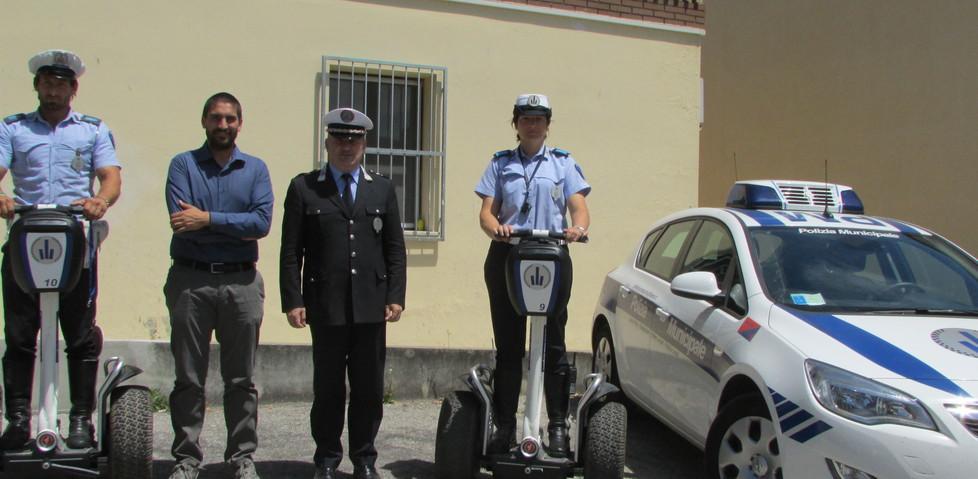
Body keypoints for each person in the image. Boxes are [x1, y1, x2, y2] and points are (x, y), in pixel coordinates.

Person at [0, 49, 121, 450]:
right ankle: (19, 421)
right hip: (25, 240)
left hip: (75, 243)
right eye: (47, 83)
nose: (54, 91)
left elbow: (110, 177)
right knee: (19, 335)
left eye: (61, 84)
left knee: (81, 336)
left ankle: (81, 420)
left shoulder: (91, 130)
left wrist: (100, 200)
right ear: (37, 86)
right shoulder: (13, 128)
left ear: (73, 89)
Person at [280, 107, 406, 479]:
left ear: (364, 144)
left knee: (369, 388)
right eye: (339, 139)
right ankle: (327, 459)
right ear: (327, 143)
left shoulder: (381, 188)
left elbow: (394, 248)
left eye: (353, 140)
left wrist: (395, 295)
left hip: (371, 305)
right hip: (326, 304)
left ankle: (364, 459)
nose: (346, 147)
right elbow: (291, 251)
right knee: (328, 388)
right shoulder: (305, 187)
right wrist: (293, 300)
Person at [474, 93, 590, 457]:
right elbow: (487, 212)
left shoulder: (563, 163)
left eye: (539, 119)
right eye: (525, 118)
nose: (532, 125)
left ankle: (557, 428)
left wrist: (578, 228)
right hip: (508, 255)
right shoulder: (501, 163)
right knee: (508, 348)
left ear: (548, 124)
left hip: (551, 256)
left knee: (554, 346)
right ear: (516, 124)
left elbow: (579, 208)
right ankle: (505, 426)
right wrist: (496, 227)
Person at [164, 92, 273, 479]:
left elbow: (261, 223)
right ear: (204, 121)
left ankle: (242, 457)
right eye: (215, 117)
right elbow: (181, 222)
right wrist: (232, 224)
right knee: (188, 378)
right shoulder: (183, 165)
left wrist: (207, 219)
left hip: (241, 283)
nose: (223, 125)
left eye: (230, 118)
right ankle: (187, 458)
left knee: (241, 378)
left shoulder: (255, 169)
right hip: (190, 281)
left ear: (240, 123)